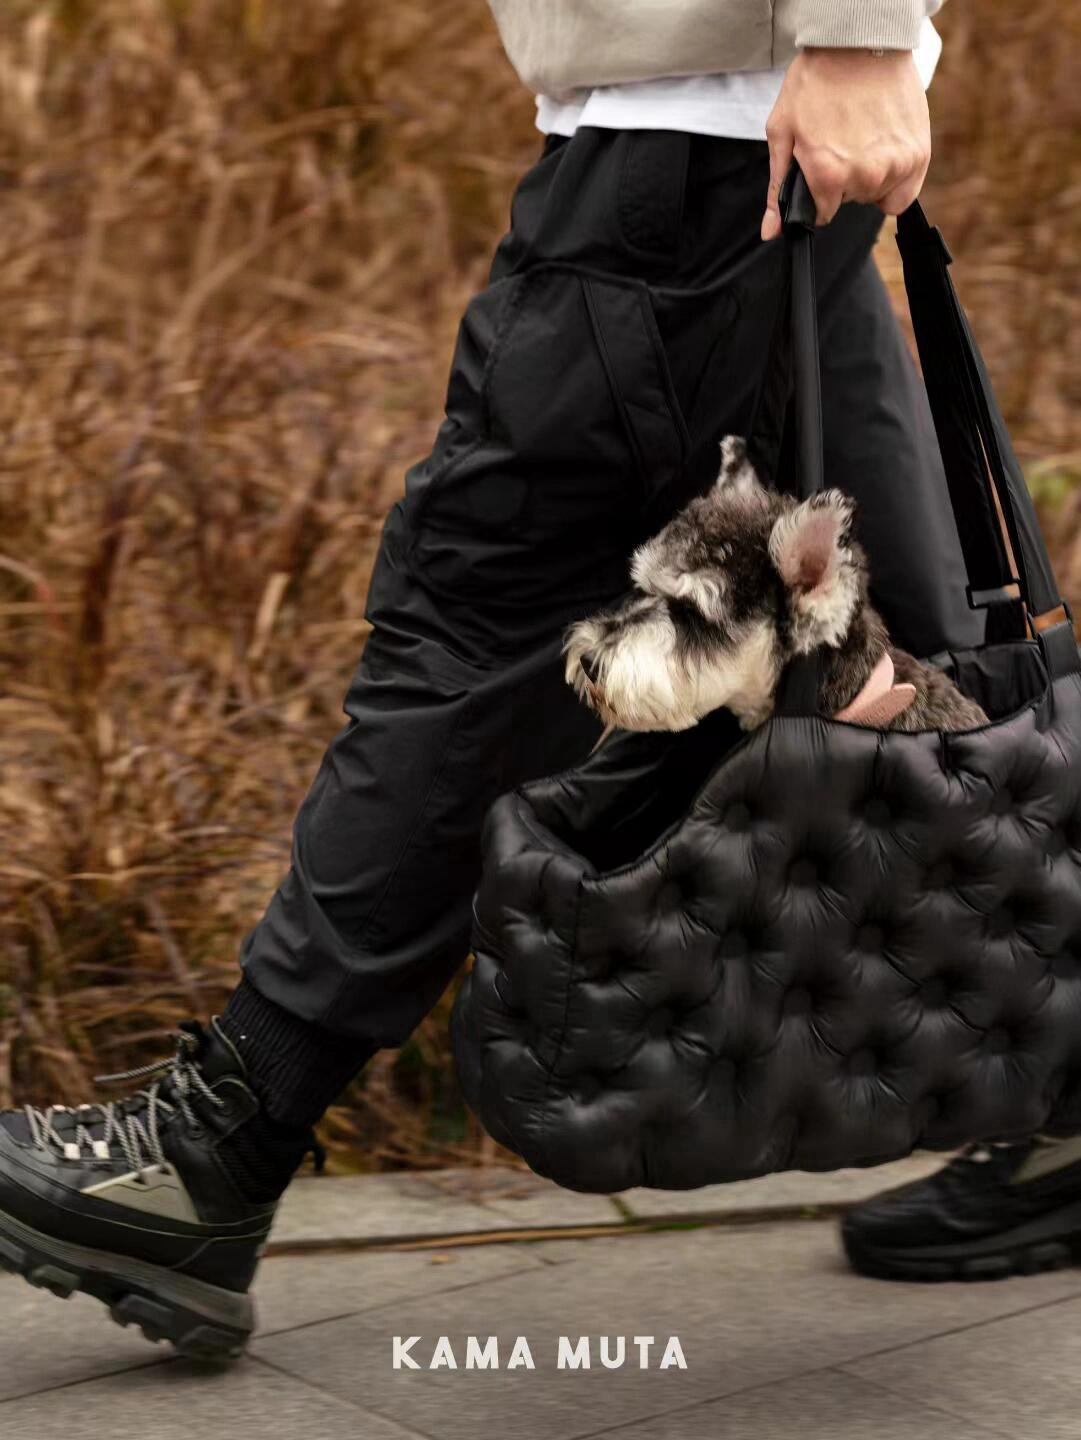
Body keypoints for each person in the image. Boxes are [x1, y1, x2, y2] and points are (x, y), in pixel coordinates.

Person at [3, 0, 1072, 1361]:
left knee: (474, 629)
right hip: (726, 139)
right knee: (912, 665)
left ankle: (209, 1151)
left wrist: (858, 29)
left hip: (689, 150)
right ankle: (1072, 1092)